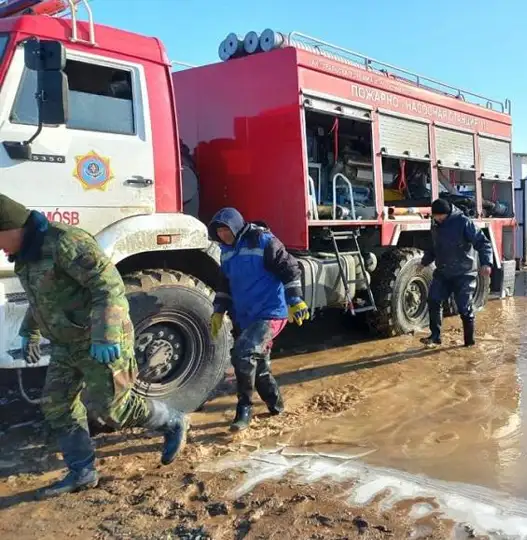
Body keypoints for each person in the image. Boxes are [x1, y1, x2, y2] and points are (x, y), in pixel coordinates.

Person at [0, 194, 189, 499]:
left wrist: (106, 336)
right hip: (66, 343)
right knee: (57, 404)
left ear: (11, 226)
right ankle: (82, 472)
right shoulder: (26, 256)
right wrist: (29, 333)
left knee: (111, 409)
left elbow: (108, 286)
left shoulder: (65, 242)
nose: (0, 247)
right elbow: (40, 299)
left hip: (100, 338)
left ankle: (173, 420)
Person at [208, 208, 310, 432]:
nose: (223, 235)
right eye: (219, 232)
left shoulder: (263, 241)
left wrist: (296, 300)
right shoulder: (225, 252)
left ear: (236, 227)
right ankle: (277, 407)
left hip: (270, 312)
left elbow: (290, 268)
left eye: (226, 230)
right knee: (259, 365)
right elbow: (224, 285)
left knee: (242, 354)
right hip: (246, 316)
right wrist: (218, 311)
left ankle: (244, 408)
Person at [420, 198, 493, 348]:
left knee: (464, 308)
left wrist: (486, 263)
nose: (437, 219)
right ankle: (435, 336)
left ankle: (469, 343)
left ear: (447, 214)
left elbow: (483, 243)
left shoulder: (463, 222)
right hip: (443, 272)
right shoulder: (435, 224)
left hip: (464, 273)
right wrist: (424, 262)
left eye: (440, 216)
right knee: (433, 300)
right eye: (435, 216)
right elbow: (434, 246)